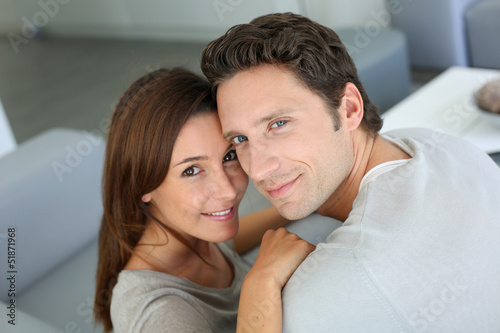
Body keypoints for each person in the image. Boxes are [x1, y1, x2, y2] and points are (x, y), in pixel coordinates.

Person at [200, 12, 500, 332]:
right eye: (240, 139)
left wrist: (258, 282)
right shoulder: (440, 144)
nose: (258, 170)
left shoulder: (327, 292)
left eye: (278, 124)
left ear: (349, 108)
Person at [93, 67, 315, 332]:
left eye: (229, 156)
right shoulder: (162, 314)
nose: (228, 191)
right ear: (143, 184)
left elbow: (231, 239)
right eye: (191, 170)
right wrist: (261, 281)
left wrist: (299, 203)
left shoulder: (192, 236)